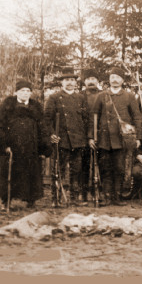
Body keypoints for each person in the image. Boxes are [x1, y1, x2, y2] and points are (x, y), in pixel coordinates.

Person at [0, 80, 52, 209]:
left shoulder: (36, 107)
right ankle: (5, 201)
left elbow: (43, 128)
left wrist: (43, 147)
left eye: (28, 91)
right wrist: (2, 145)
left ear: (31, 93)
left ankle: (31, 200)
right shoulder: (7, 107)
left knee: (31, 173)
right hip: (12, 148)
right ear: (16, 92)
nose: (25, 93)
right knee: (9, 173)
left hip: (31, 148)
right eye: (22, 91)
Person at [88, 67, 142, 206]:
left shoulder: (129, 96)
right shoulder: (101, 96)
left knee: (119, 168)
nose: (114, 79)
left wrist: (138, 138)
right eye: (112, 77)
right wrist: (91, 137)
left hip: (122, 139)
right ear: (109, 79)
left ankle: (117, 196)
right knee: (105, 167)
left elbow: (137, 117)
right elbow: (93, 117)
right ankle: (106, 196)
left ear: (122, 80)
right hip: (104, 139)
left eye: (117, 77)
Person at [44, 68, 90, 207]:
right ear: (62, 82)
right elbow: (46, 119)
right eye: (66, 80)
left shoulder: (81, 98)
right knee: (58, 170)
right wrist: (52, 134)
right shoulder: (54, 97)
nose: (69, 83)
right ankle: (56, 198)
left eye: (72, 80)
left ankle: (74, 198)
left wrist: (87, 137)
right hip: (61, 140)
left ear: (76, 82)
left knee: (76, 171)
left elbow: (86, 119)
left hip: (78, 140)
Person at [79, 69, 102, 203]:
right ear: (84, 81)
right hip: (83, 136)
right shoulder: (79, 96)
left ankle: (98, 192)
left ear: (97, 81)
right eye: (88, 79)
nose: (91, 81)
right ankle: (83, 192)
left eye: (94, 78)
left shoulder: (104, 95)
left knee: (100, 165)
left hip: (101, 135)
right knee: (84, 165)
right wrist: (88, 136)